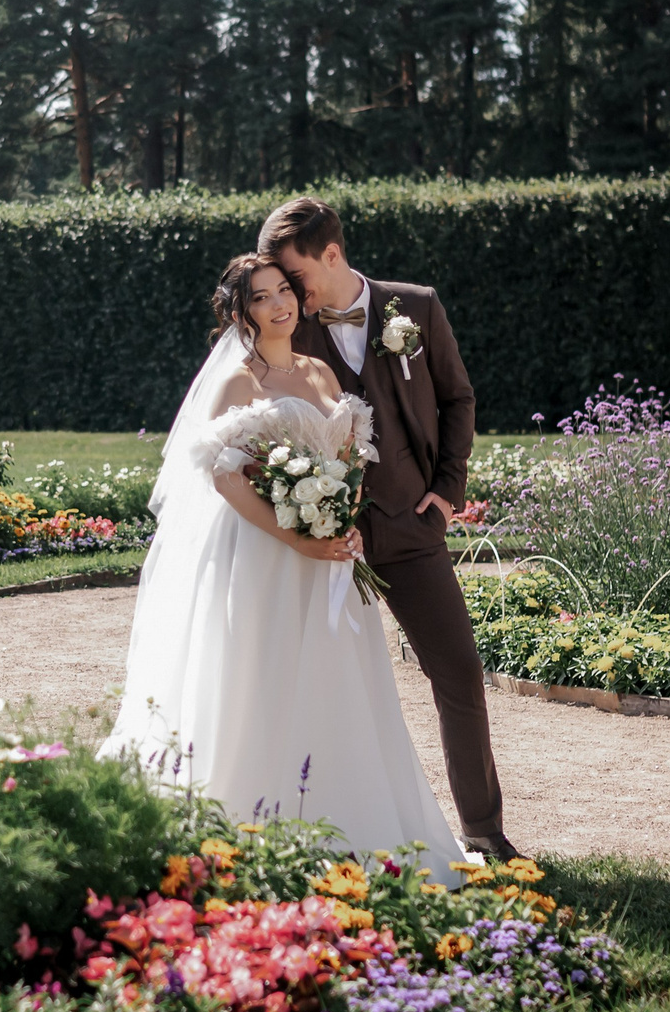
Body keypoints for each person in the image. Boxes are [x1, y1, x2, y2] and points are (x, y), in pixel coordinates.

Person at [100, 254, 465, 864]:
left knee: (334, 679)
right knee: (261, 678)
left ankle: (347, 821)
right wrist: (296, 537)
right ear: (242, 312)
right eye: (262, 297)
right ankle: (249, 828)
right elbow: (224, 475)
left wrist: (343, 519)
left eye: (283, 292)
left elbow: (347, 456)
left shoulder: (319, 370)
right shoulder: (238, 381)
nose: (279, 305)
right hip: (264, 554)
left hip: (330, 556)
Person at [262, 196, 520, 859]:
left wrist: (446, 490)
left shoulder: (418, 308)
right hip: (324, 545)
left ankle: (484, 832)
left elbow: (458, 397)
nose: (289, 297)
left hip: (411, 530)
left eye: (296, 278)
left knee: (458, 672)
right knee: (315, 690)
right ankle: (313, 837)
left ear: (332, 255)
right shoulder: (289, 331)